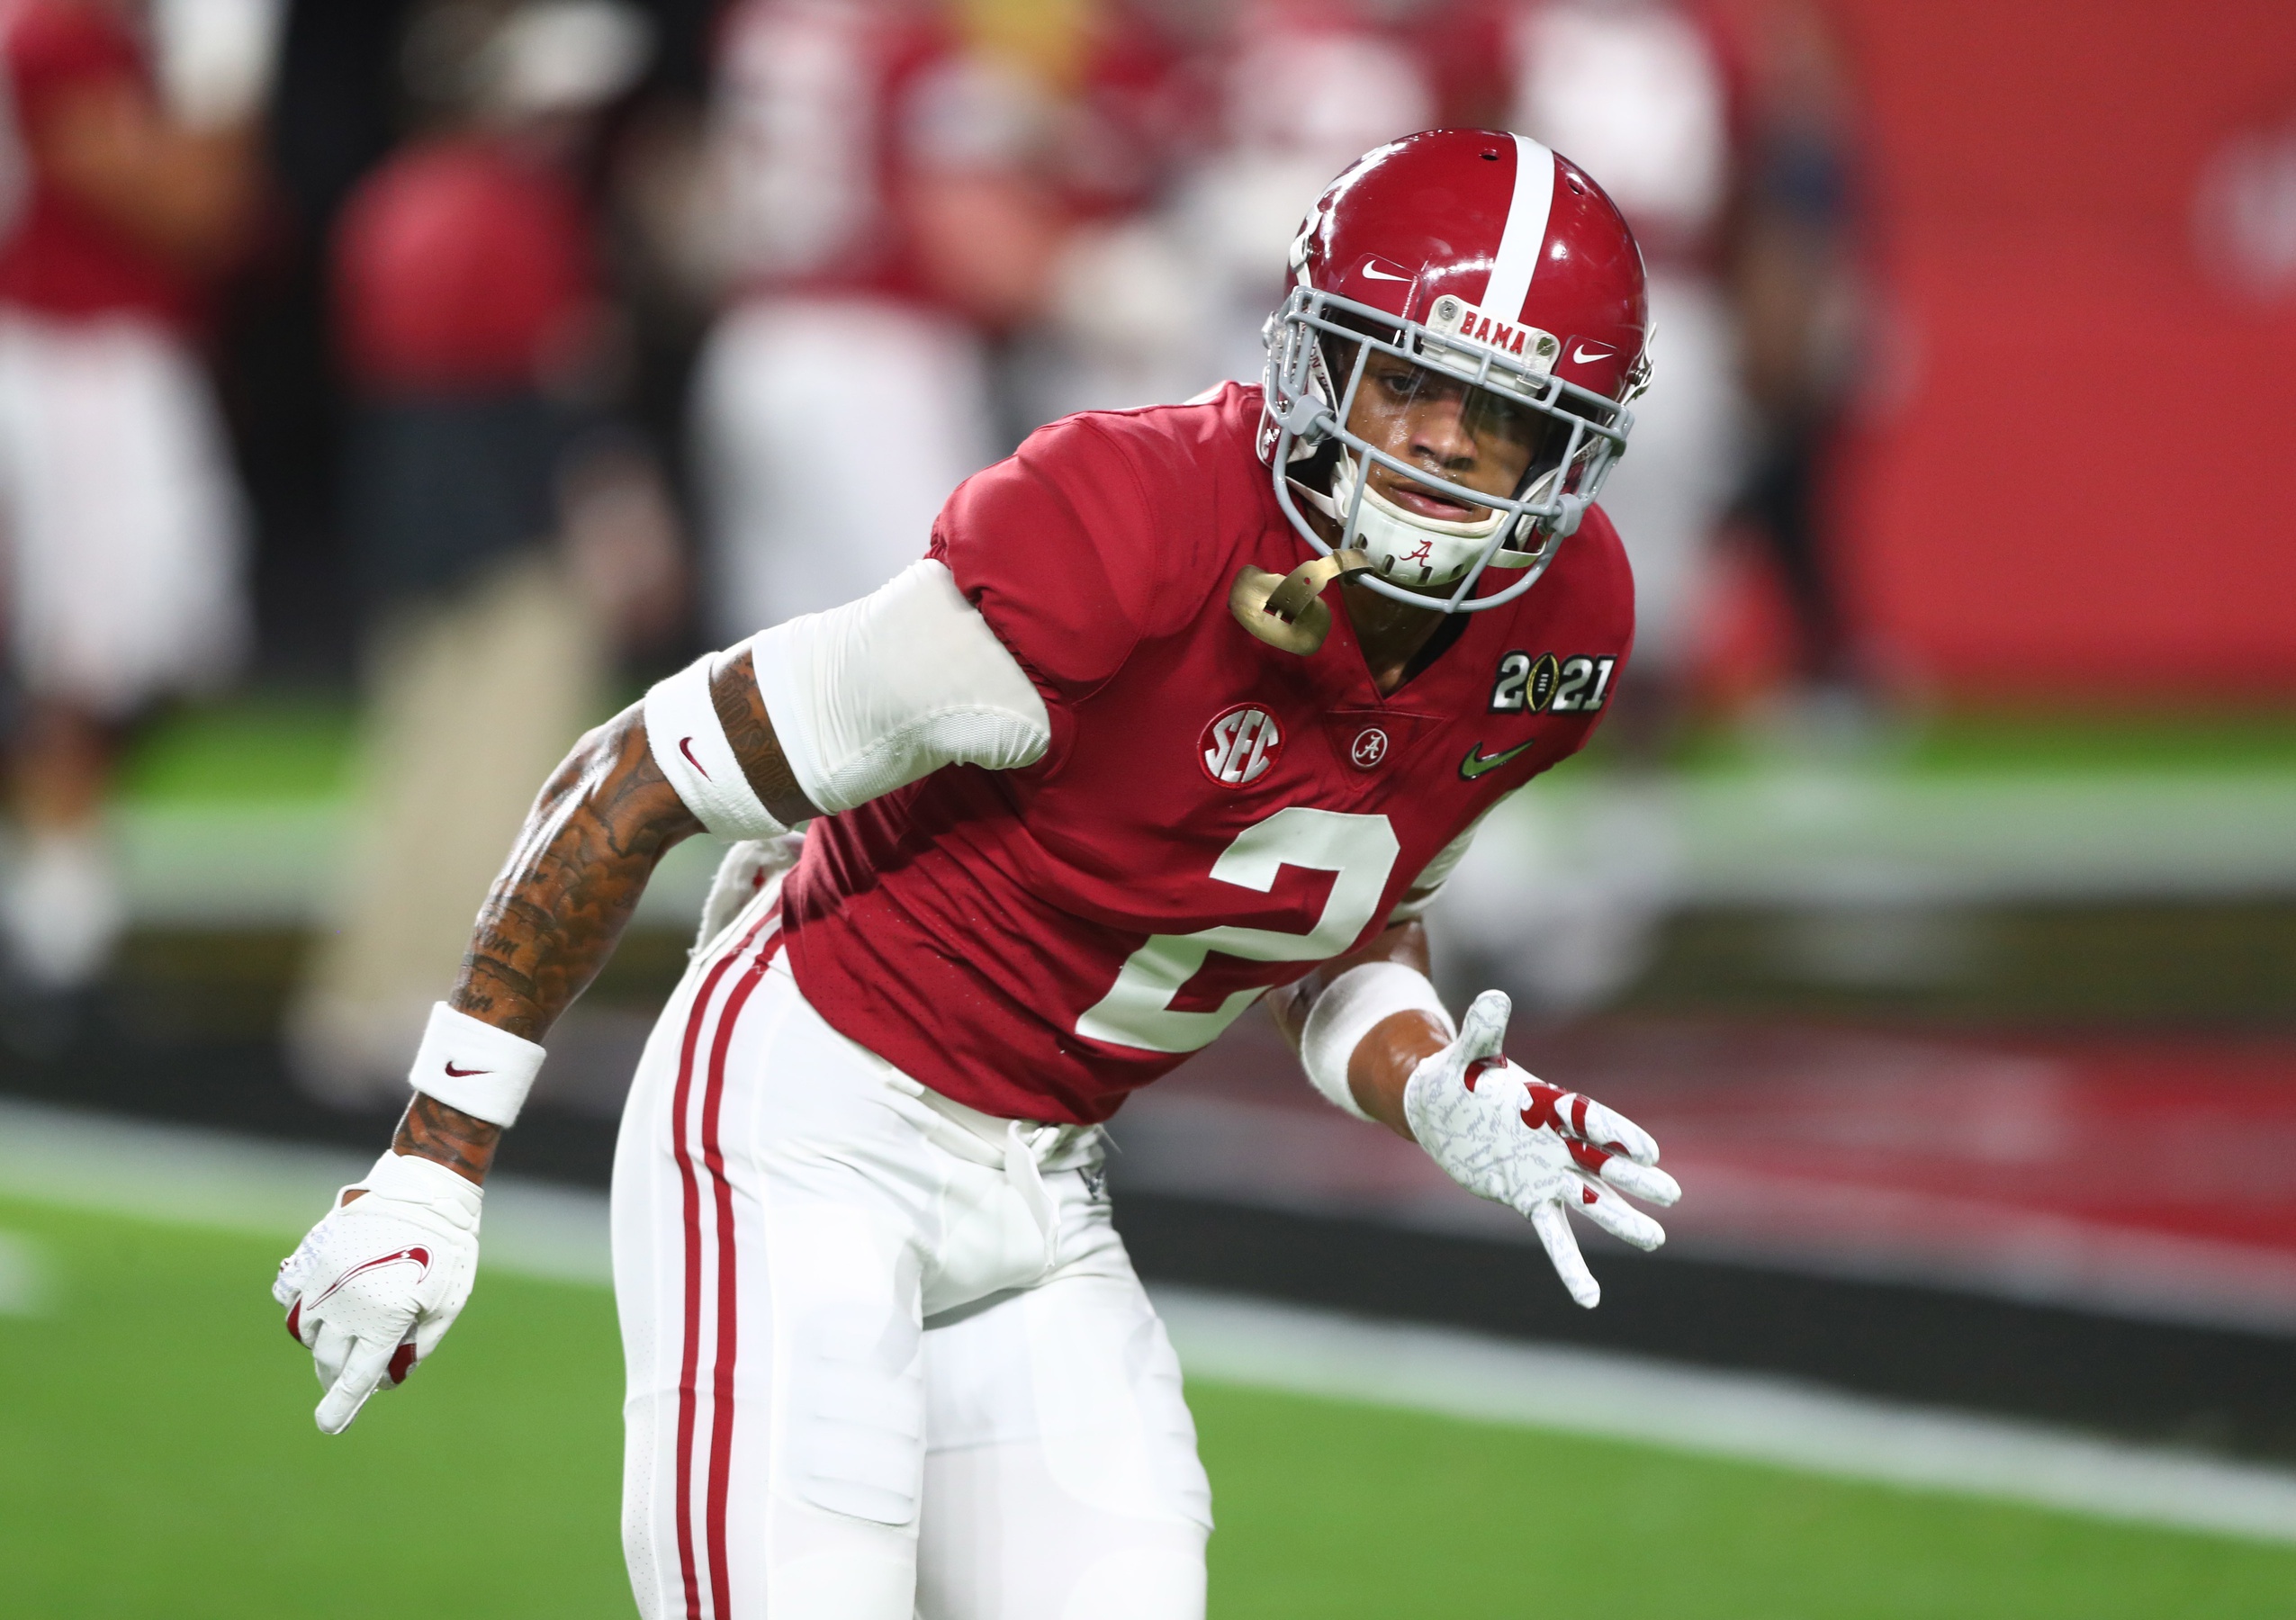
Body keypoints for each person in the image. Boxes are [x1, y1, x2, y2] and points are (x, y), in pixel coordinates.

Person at [273, 130, 1684, 1620]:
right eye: (1407, 380)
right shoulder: (1125, 529)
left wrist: (1431, 1081)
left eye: (1503, 413)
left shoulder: (1558, 640)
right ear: (1315, 363)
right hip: (799, 1129)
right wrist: (434, 1155)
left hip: (1042, 1197)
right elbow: (636, 771)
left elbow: (1326, 919)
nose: (1443, 445)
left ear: (1574, 448)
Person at [285, 0, 680, 1102]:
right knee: (505, 771)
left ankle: (364, 992)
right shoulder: (511, 207)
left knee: (420, 758)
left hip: (409, 495)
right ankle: (446, 1012)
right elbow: (560, 382)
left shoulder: (392, 200)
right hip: (506, 500)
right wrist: (610, 515)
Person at [0, 0, 260, 994]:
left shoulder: (112, 36)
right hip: (72, 359)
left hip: (118, 360)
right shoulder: (52, 31)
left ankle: (58, 895)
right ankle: (57, 935)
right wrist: (233, 72)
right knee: (82, 660)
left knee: (175, 647)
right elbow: (199, 208)